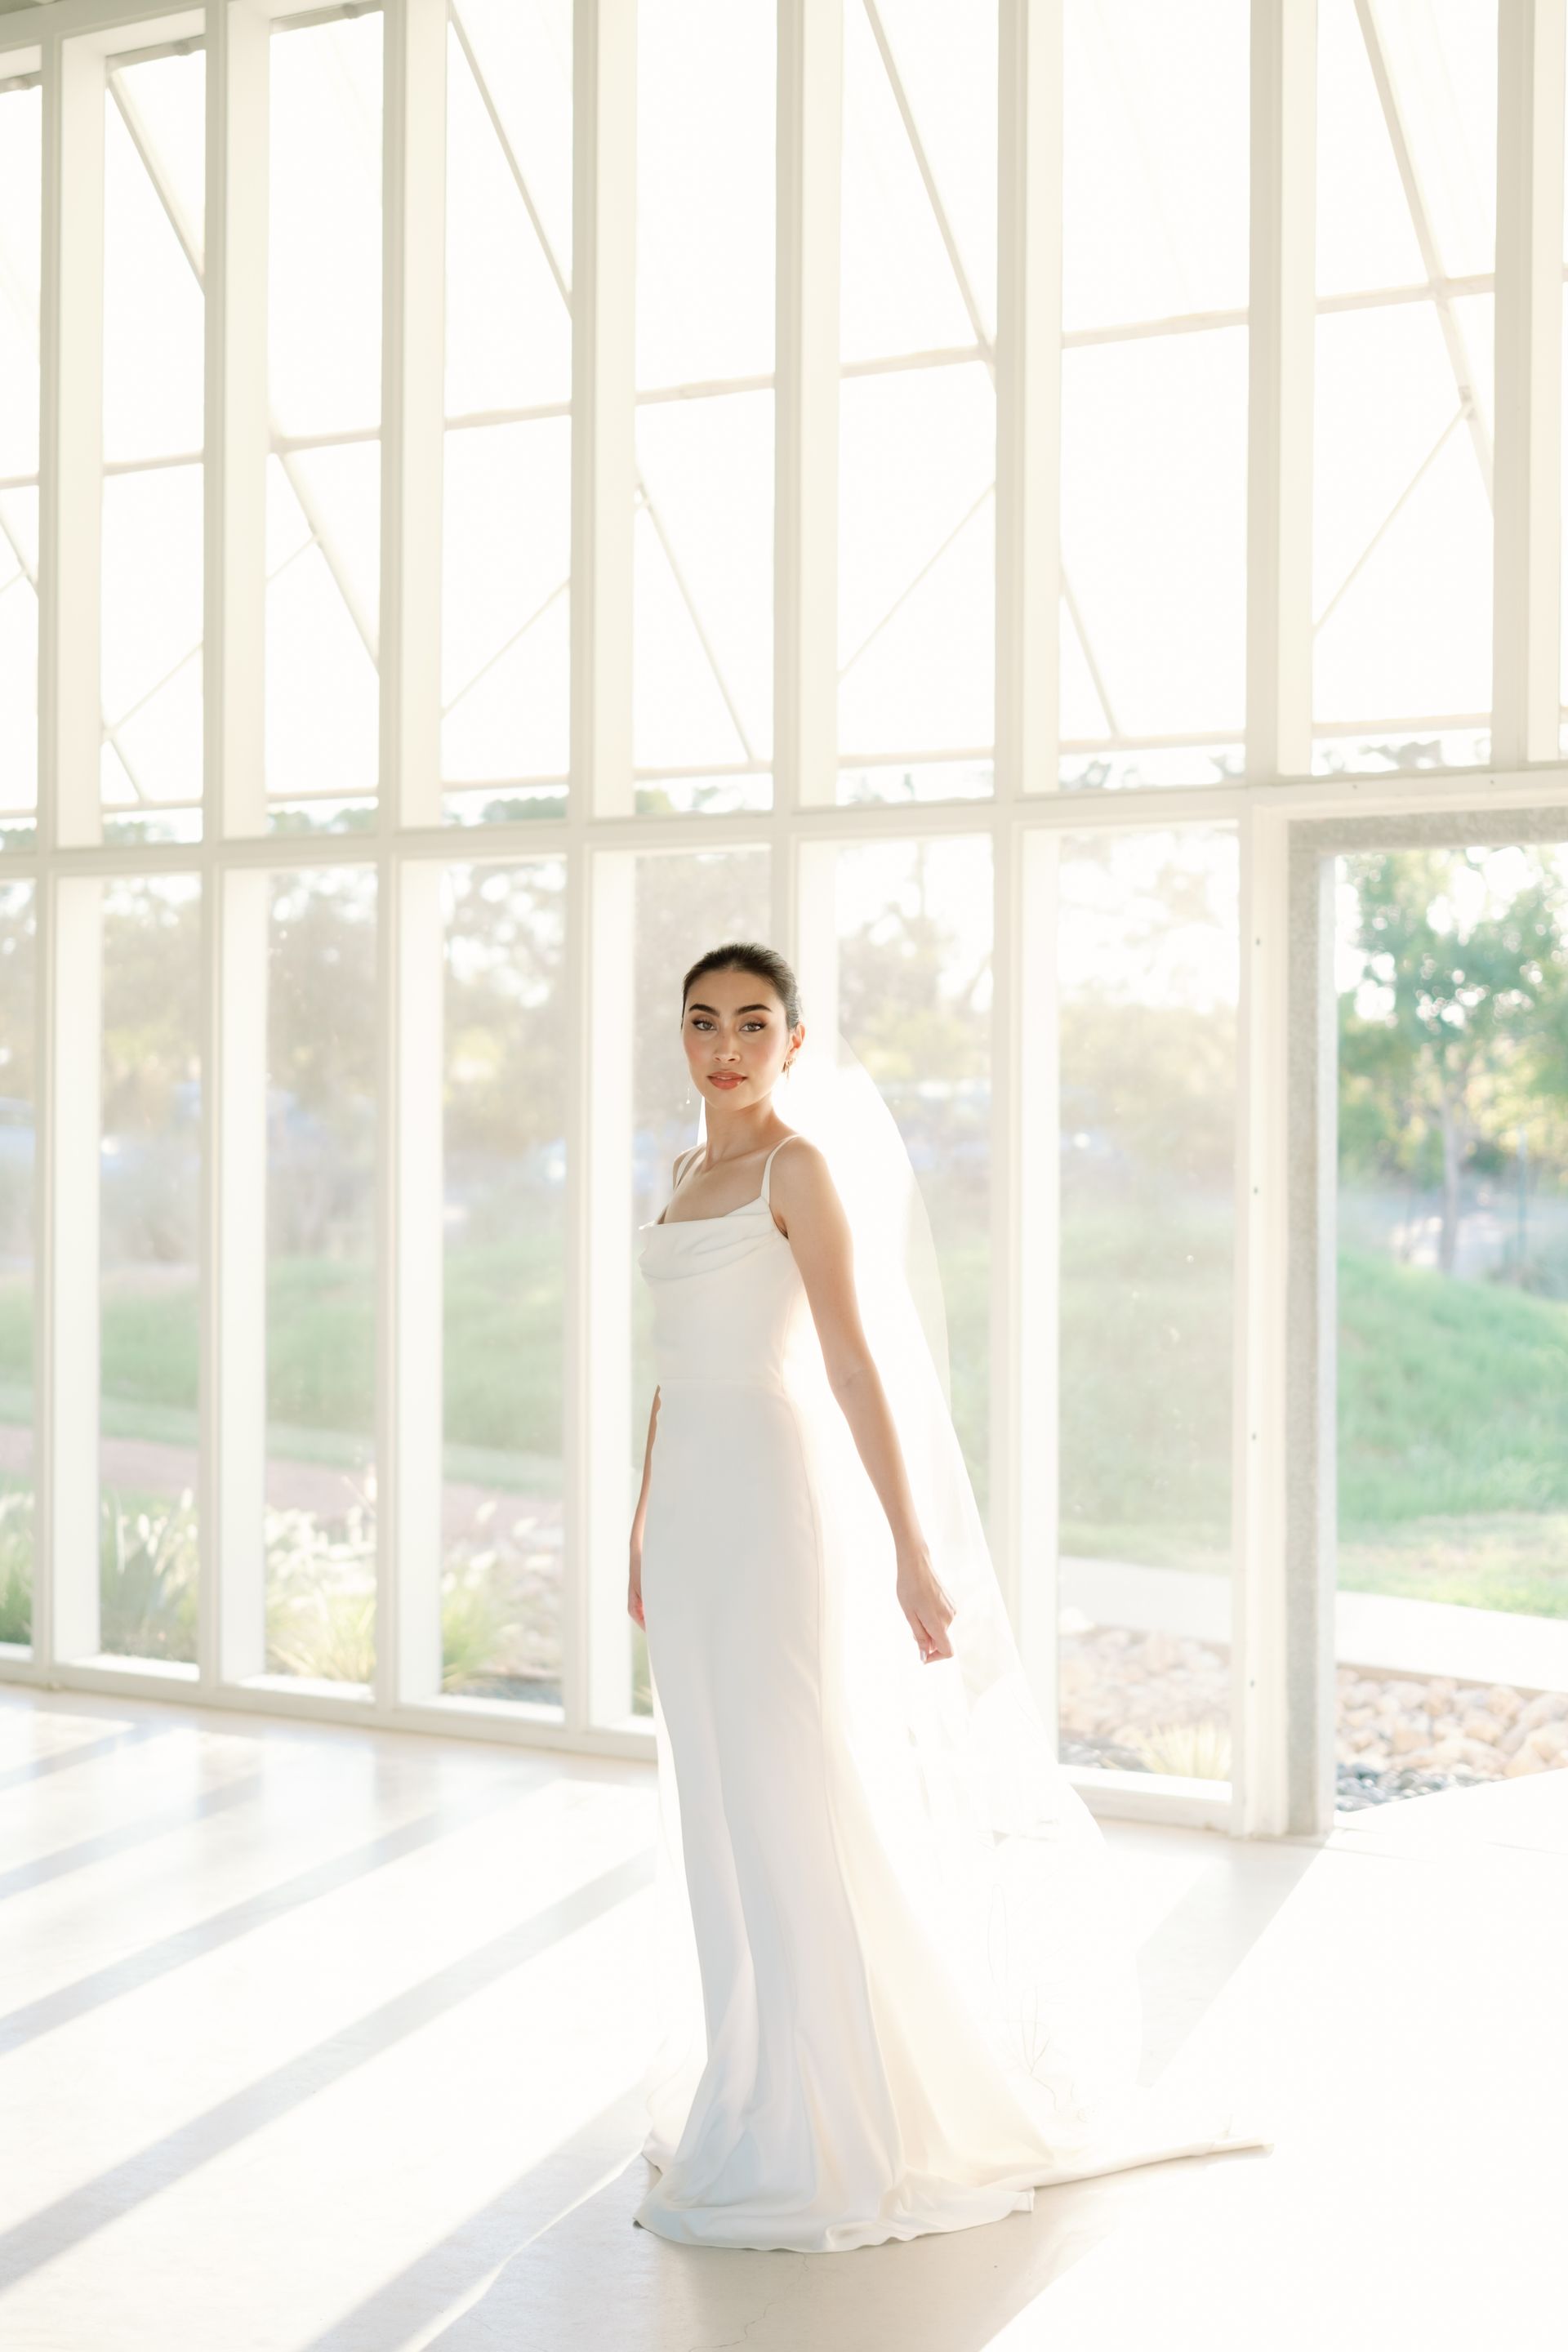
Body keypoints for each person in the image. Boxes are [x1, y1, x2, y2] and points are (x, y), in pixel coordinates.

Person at [626, 941, 1265, 2254]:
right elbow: (667, 1369)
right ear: (681, 1040)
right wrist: (641, 1519)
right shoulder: (684, 1174)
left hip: (765, 1500)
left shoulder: (798, 1169)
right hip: (687, 1508)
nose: (727, 1046)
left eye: (754, 1023)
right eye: (705, 1023)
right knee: (711, 1802)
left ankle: (834, 2120)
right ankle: (751, 2082)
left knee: (787, 1794)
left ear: (794, 1044)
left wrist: (914, 1552)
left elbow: (855, 1366)